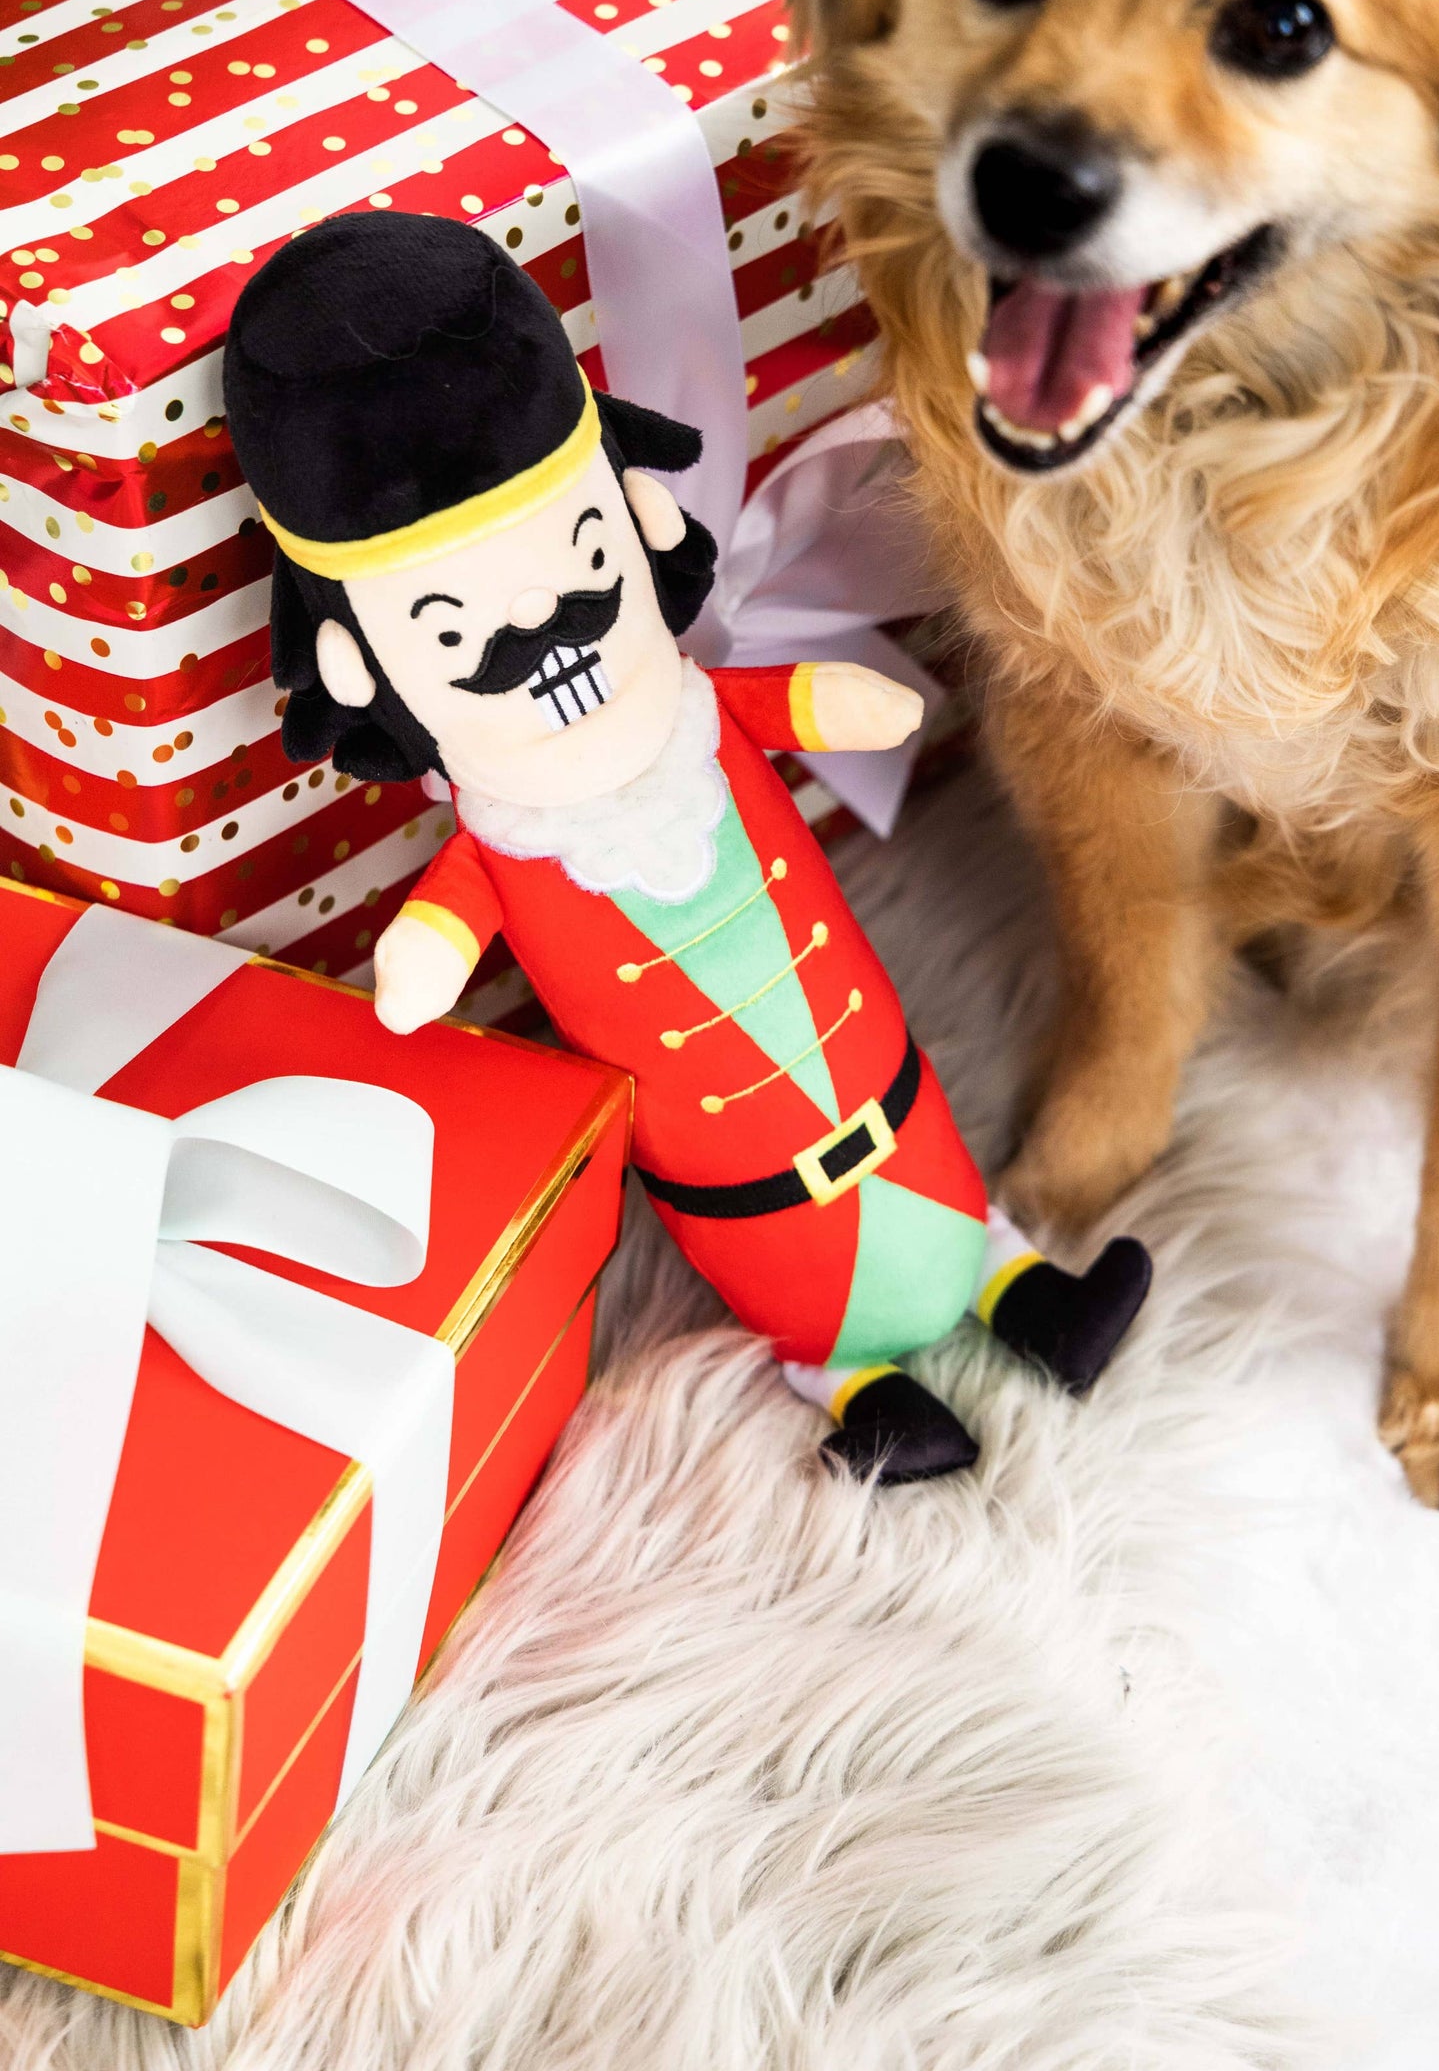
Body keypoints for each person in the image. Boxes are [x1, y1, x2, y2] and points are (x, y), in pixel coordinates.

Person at [226, 210, 1150, 1483]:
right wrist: (424, 959)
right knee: (794, 1268)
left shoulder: (695, 715)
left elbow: (784, 705)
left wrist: (841, 701)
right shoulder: (504, 846)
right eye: (452, 632)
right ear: (363, 665)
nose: (542, 632)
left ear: (633, 516)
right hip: (745, 1191)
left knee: (931, 1175)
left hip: (883, 1089)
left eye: (580, 555)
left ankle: (1017, 1284)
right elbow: (442, 928)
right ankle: (844, 1378)